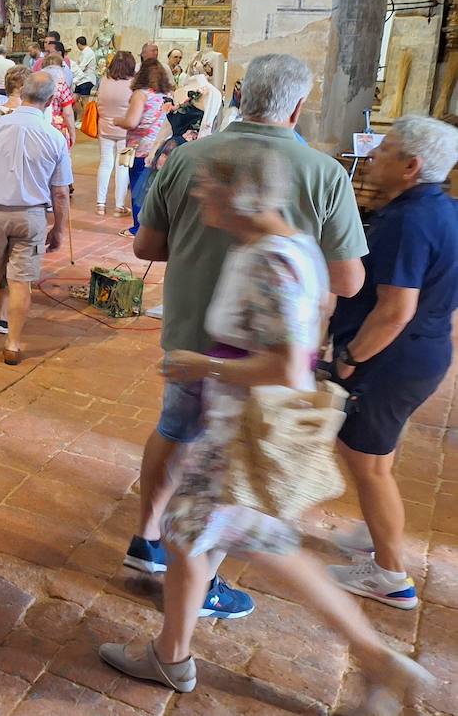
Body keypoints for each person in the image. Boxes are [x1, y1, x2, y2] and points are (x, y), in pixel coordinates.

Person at [99, 141, 434, 711]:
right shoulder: (291, 245)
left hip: (237, 435)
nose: (201, 194)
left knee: (223, 539)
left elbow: (284, 361)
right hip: (234, 426)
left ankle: (372, 657)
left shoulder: (268, 259)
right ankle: (172, 652)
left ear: (241, 195)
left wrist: (199, 364)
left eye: (211, 186)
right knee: (198, 537)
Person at [124, 53, 367, 619]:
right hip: (246, 360)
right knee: (231, 487)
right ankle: (189, 600)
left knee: (177, 433)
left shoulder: (190, 157)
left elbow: (146, 246)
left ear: (241, 94)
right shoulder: (325, 174)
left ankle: (148, 541)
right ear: (299, 106)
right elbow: (350, 279)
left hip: (195, 338)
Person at [327, 116, 458, 608]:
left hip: (392, 359)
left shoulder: (409, 220)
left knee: (369, 464)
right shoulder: (445, 209)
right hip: (424, 352)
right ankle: (374, 533)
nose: (373, 156)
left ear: (411, 166)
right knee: (376, 453)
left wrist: (348, 357)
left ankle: (390, 574)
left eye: (385, 151)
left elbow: (395, 309)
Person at [0, 70, 72, 365]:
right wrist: (58, 229)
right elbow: (60, 193)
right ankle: (13, 343)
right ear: (49, 101)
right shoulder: (54, 137)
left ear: (21, 93)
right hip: (31, 215)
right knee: (21, 280)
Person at [115, 58, 173, 239]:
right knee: (156, 191)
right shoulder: (168, 94)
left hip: (141, 148)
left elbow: (132, 121)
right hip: (163, 147)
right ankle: (158, 229)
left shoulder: (141, 94)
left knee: (139, 190)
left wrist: (118, 121)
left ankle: (139, 229)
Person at [95, 50, 136, 216]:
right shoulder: (133, 83)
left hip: (105, 126)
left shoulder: (104, 79)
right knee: (123, 166)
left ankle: (100, 204)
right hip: (126, 129)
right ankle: (119, 206)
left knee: (105, 164)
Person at [41, 52, 77, 147]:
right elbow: (68, 113)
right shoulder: (61, 85)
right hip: (58, 126)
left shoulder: (38, 84)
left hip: (40, 124)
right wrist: (72, 132)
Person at [73, 35, 99, 106]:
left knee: (85, 103)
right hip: (81, 80)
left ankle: (85, 117)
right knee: (74, 100)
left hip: (87, 80)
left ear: (78, 44)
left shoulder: (88, 52)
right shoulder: (84, 52)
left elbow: (81, 67)